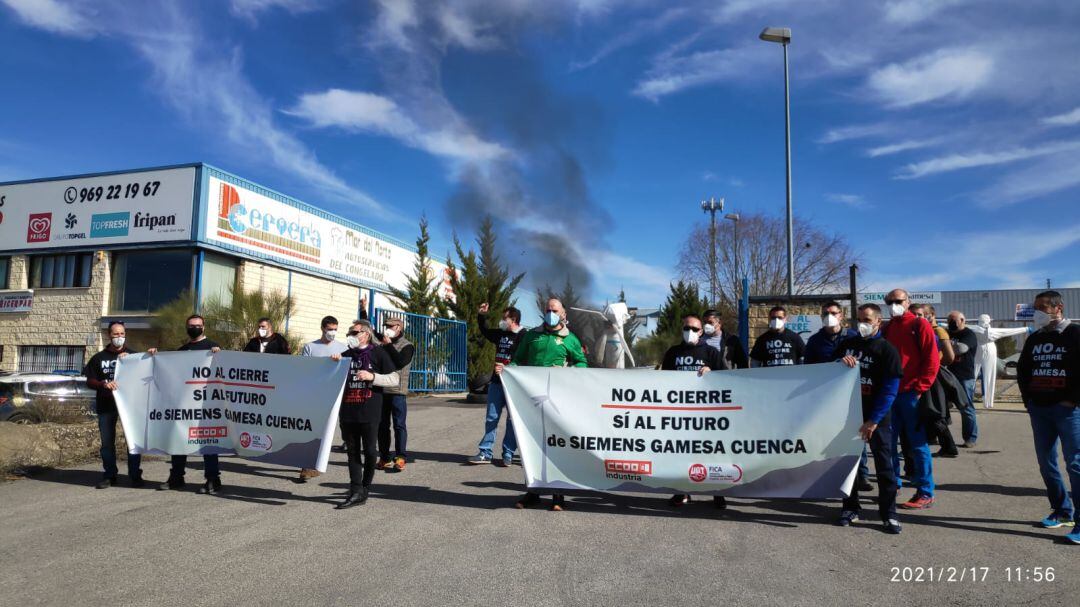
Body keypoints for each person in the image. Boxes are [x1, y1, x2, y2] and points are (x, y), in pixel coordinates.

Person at [1016, 290, 1080, 544]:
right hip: (1039, 409)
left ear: (1058, 308)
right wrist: (1028, 401)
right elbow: (1023, 370)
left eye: (1043, 307)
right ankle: (1062, 510)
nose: (1039, 312)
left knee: (1075, 464)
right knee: (1046, 462)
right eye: (1036, 308)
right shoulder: (1035, 338)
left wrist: (1072, 399)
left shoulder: (1075, 334)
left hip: (1068, 410)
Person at [834, 303, 903, 534]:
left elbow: (891, 390)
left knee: (885, 467)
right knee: (847, 465)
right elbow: (828, 371)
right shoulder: (848, 345)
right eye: (859, 320)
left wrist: (873, 420)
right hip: (848, 415)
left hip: (877, 419)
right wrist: (839, 363)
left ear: (878, 322)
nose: (862, 324)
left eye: (867, 320)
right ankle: (850, 507)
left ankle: (889, 514)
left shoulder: (887, 350)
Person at [513, 298, 588, 511]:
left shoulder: (570, 339)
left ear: (563, 314)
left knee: (556, 446)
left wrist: (566, 372)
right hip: (532, 401)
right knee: (531, 446)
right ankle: (532, 492)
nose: (550, 313)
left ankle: (558, 495)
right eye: (547, 310)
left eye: (554, 310)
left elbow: (582, 364)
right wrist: (507, 370)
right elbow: (518, 360)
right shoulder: (531, 335)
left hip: (558, 402)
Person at [150, 314, 223, 495]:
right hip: (184, 405)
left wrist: (220, 355)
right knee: (179, 438)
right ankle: (176, 476)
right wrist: (154, 356)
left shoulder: (213, 348)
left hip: (205, 405)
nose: (194, 328)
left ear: (204, 327)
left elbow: (224, 372)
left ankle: (213, 479)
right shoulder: (182, 350)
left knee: (209, 442)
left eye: (197, 325)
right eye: (191, 325)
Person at [330, 321, 400, 509]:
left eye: (354, 332)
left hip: (369, 411)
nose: (350, 335)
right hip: (348, 412)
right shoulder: (346, 355)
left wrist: (373, 377)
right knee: (352, 453)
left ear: (366, 335)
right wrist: (333, 363)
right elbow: (331, 377)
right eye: (349, 332)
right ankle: (355, 490)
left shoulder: (378, 353)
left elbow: (395, 379)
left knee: (370, 452)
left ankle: (365, 487)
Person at [880, 289, 939, 510]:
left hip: (911, 395)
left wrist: (920, 388)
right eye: (890, 302)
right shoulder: (888, 327)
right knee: (887, 444)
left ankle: (925, 492)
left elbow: (932, 359)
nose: (894, 304)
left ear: (908, 302)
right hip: (889, 394)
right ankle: (892, 485)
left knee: (918, 445)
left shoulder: (919, 324)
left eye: (898, 301)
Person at [662, 314, 727, 510]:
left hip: (706, 413)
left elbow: (727, 380)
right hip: (681, 413)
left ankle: (718, 493)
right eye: (686, 328)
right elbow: (662, 381)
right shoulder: (673, 352)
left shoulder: (711, 352)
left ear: (701, 332)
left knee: (712, 453)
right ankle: (681, 492)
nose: (689, 332)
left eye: (693, 329)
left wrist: (711, 373)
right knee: (680, 452)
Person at [85, 321, 142, 489]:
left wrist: (150, 354)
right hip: (106, 405)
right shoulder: (98, 358)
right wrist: (103, 384)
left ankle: (135, 475)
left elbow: (146, 372)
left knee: (132, 441)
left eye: (122, 334)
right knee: (107, 443)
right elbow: (89, 380)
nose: (119, 337)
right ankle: (110, 475)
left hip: (129, 406)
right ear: (109, 335)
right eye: (116, 334)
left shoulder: (133, 355)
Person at [468, 303, 525, 466]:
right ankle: (485, 452)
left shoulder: (524, 336)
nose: (501, 321)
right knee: (491, 417)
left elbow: (526, 359)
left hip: (514, 385)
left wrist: (509, 368)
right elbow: (485, 330)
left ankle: (508, 453)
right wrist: (481, 315)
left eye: (504, 318)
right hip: (496, 382)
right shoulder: (501, 334)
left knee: (512, 420)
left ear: (513, 320)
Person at [296, 315, 347, 483]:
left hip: (334, 395)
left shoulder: (342, 347)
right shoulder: (310, 347)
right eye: (329, 329)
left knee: (328, 430)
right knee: (311, 430)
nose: (332, 332)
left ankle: (318, 463)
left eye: (335, 329)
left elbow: (347, 369)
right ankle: (307, 465)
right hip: (314, 394)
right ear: (322, 329)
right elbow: (304, 370)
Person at [911, 304, 959, 457]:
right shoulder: (917, 331)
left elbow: (949, 357)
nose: (917, 318)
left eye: (922, 314)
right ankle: (944, 445)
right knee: (930, 412)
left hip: (932, 376)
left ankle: (949, 446)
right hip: (924, 375)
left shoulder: (937, 332)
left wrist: (936, 364)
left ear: (931, 315)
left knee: (934, 412)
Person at [377, 317, 415, 473]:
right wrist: (363, 310)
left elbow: (400, 362)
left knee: (399, 425)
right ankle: (384, 457)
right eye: (386, 326)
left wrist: (388, 346)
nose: (387, 328)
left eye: (391, 326)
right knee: (382, 426)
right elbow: (368, 331)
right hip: (381, 389)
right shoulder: (382, 341)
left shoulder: (407, 346)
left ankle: (400, 456)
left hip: (397, 391)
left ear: (399, 327)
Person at [970, 314, 1028, 409]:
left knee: (972, 375)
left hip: (979, 349)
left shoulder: (975, 329)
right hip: (990, 349)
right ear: (989, 321)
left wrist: (942, 324)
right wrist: (1026, 329)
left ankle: (968, 399)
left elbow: (962, 327)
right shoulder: (992, 331)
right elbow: (1010, 331)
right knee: (989, 376)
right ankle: (988, 402)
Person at [947, 311, 980, 448]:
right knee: (941, 406)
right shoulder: (949, 333)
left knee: (966, 408)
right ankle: (938, 435)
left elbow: (962, 348)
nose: (951, 323)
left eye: (953, 320)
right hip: (949, 374)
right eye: (949, 320)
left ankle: (970, 438)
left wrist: (946, 346)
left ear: (962, 320)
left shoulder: (969, 334)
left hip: (965, 376)